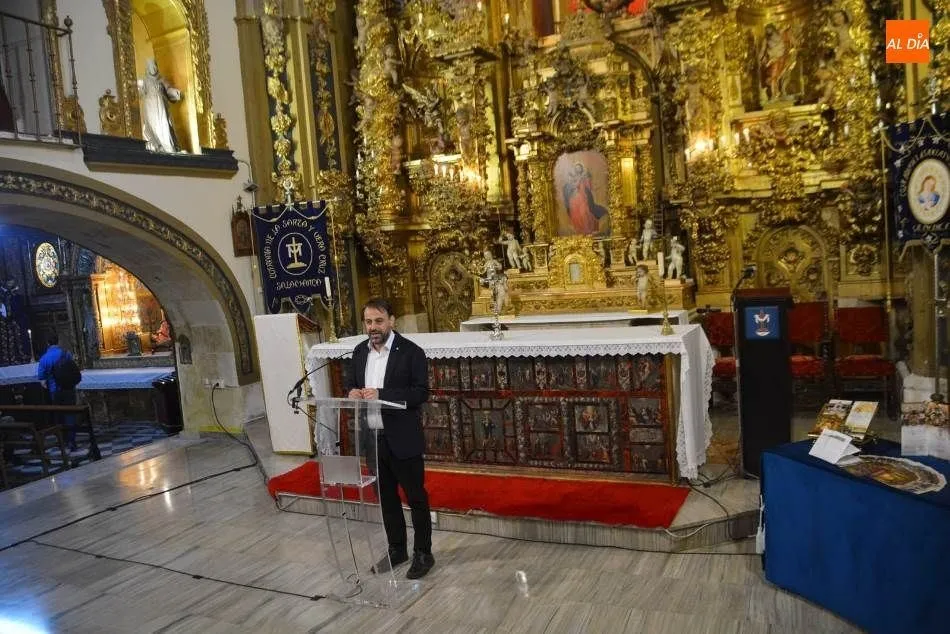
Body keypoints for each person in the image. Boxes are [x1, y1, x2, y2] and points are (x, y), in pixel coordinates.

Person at [345, 298, 434, 580]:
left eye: (379, 321)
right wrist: (351, 393)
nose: (373, 327)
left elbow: (420, 393)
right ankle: (397, 549)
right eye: (368, 322)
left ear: (391, 321)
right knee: (386, 499)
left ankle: (423, 552)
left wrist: (382, 395)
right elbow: (351, 383)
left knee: (415, 498)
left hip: (402, 437)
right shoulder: (359, 352)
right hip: (373, 438)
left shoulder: (411, 352)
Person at [36, 333, 79, 451]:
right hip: (69, 389)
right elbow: (73, 369)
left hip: (55, 391)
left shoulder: (44, 358)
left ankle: (63, 440)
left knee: (58, 415)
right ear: (58, 342)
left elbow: (42, 379)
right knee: (70, 414)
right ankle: (72, 441)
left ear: (48, 343)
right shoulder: (66, 353)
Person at [139, 58, 182, 153]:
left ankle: (169, 148)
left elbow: (169, 90)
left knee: (164, 125)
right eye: (151, 66)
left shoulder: (162, 80)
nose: (153, 68)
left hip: (162, 106)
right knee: (152, 126)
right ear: (147, 68)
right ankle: (158, 146)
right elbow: (138, 91)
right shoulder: (144, 81)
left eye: (154, 66)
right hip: (150, 107)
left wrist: (174, 92)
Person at [562, 162, 608, 235]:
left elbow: (589, 187)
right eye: (576, 168)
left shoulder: (584, 177)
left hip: (584, 196)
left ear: (581, 169)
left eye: (579, 168)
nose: (578, 169)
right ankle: (580, 230)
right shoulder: (574, 177)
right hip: (577, 196)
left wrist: (586, 180)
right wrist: (577, 182)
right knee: (574, 208)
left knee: (584, 212)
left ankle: (588, 230)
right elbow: (573, 186)